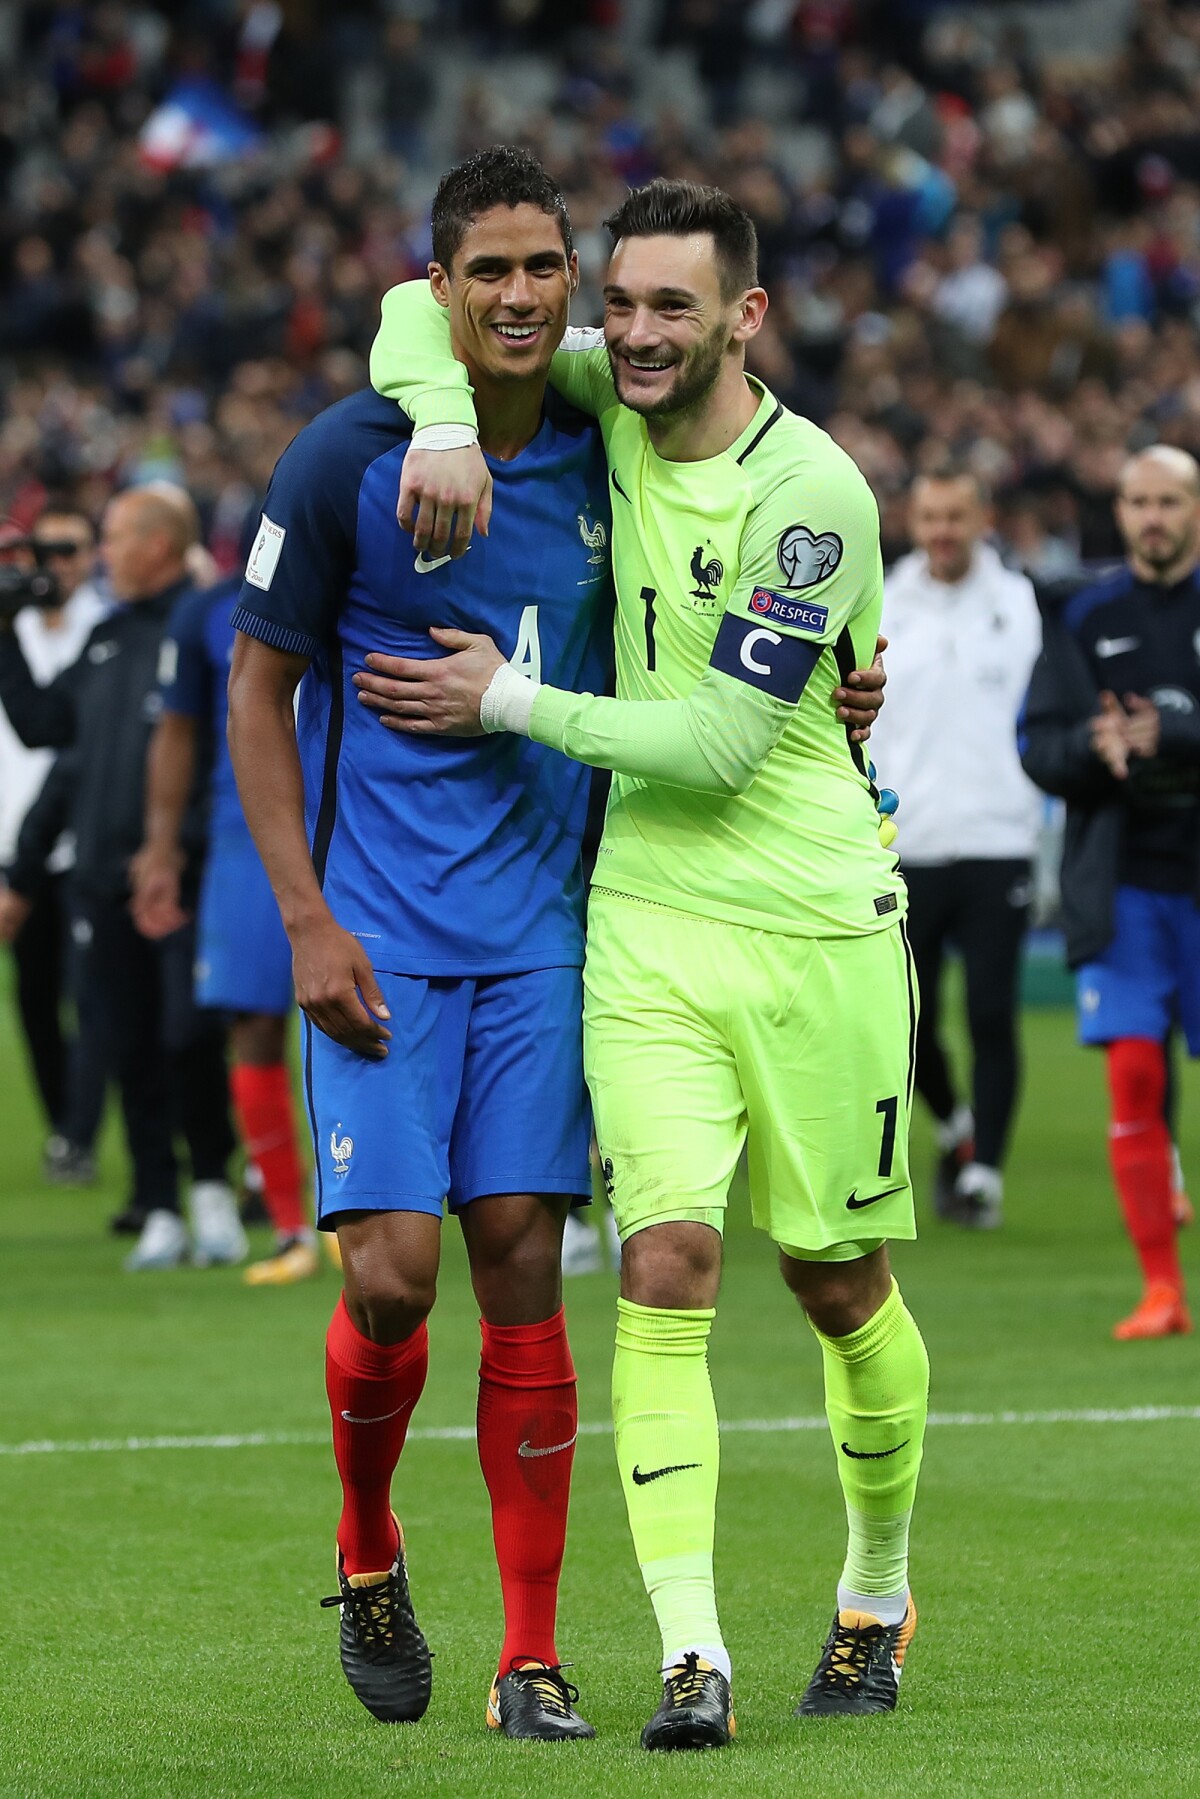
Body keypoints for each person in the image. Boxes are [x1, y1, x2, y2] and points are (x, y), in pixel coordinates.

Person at [228, 149, 887, 1744]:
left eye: (546, 270)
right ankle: (371, 1544)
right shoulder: (347, 458)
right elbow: (256, 687)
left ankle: (532, 1654)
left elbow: (746, 604)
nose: (522, 297)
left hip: (547, 936)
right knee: (390, 1283)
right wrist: (303, 917)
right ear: (441, 288)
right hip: (376, 929)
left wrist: (851, 679)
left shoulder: (612, 440)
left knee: (523, 1254)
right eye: (490, 272)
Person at [0, 485, 243, 1271]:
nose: (101, 553)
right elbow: (45, 728)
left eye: (111, 538)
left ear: (159, 546)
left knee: (186, 1033)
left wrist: (185, 847)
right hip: (99, 880)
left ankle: (211, 1182)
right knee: (129, 1043)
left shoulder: (211, 624)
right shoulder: (105, 636)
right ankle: (159, 1202)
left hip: (185, 874)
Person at [1021, 444, 1200, 1340]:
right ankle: (1162, 1289)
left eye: (1170, 500)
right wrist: (1096, 751)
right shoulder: (1087, 618)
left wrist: (1171, 730)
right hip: (1125, 887)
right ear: (1121, 511)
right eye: (1139, 501)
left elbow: (1171, 726)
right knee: (1133, 1073)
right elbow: (1037, 744)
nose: (1154, 516)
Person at [130, 571, 319, 1285]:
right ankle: (287, 1224)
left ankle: (349, 1208)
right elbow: (178, 729)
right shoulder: (210, 612)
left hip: (354, 823)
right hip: (242, 836)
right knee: (252, 1024)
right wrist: (160, 843)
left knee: (359, 1018)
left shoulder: (369, 576)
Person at [870, 469, 1043, 1229]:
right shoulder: (880, 596)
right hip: (904, 840)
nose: (941, 529)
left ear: (983, 518)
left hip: (999, 838)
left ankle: (986, 1175)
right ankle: (955, 1128)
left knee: (990, 1012)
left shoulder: (1019, 604)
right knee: (904, 1017)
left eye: (955, 516)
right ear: (913, 519)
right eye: (929, 515)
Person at [0, 508, 107, 1176]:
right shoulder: (10, 626)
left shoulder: (111, 627)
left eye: (66, 549)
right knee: (34, 996)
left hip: (91, 842)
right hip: (22, 846)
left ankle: (80, 1127)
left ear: (93, 554)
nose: (53, 563)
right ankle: (65, 1125)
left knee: (94, 995)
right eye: (42, 551)